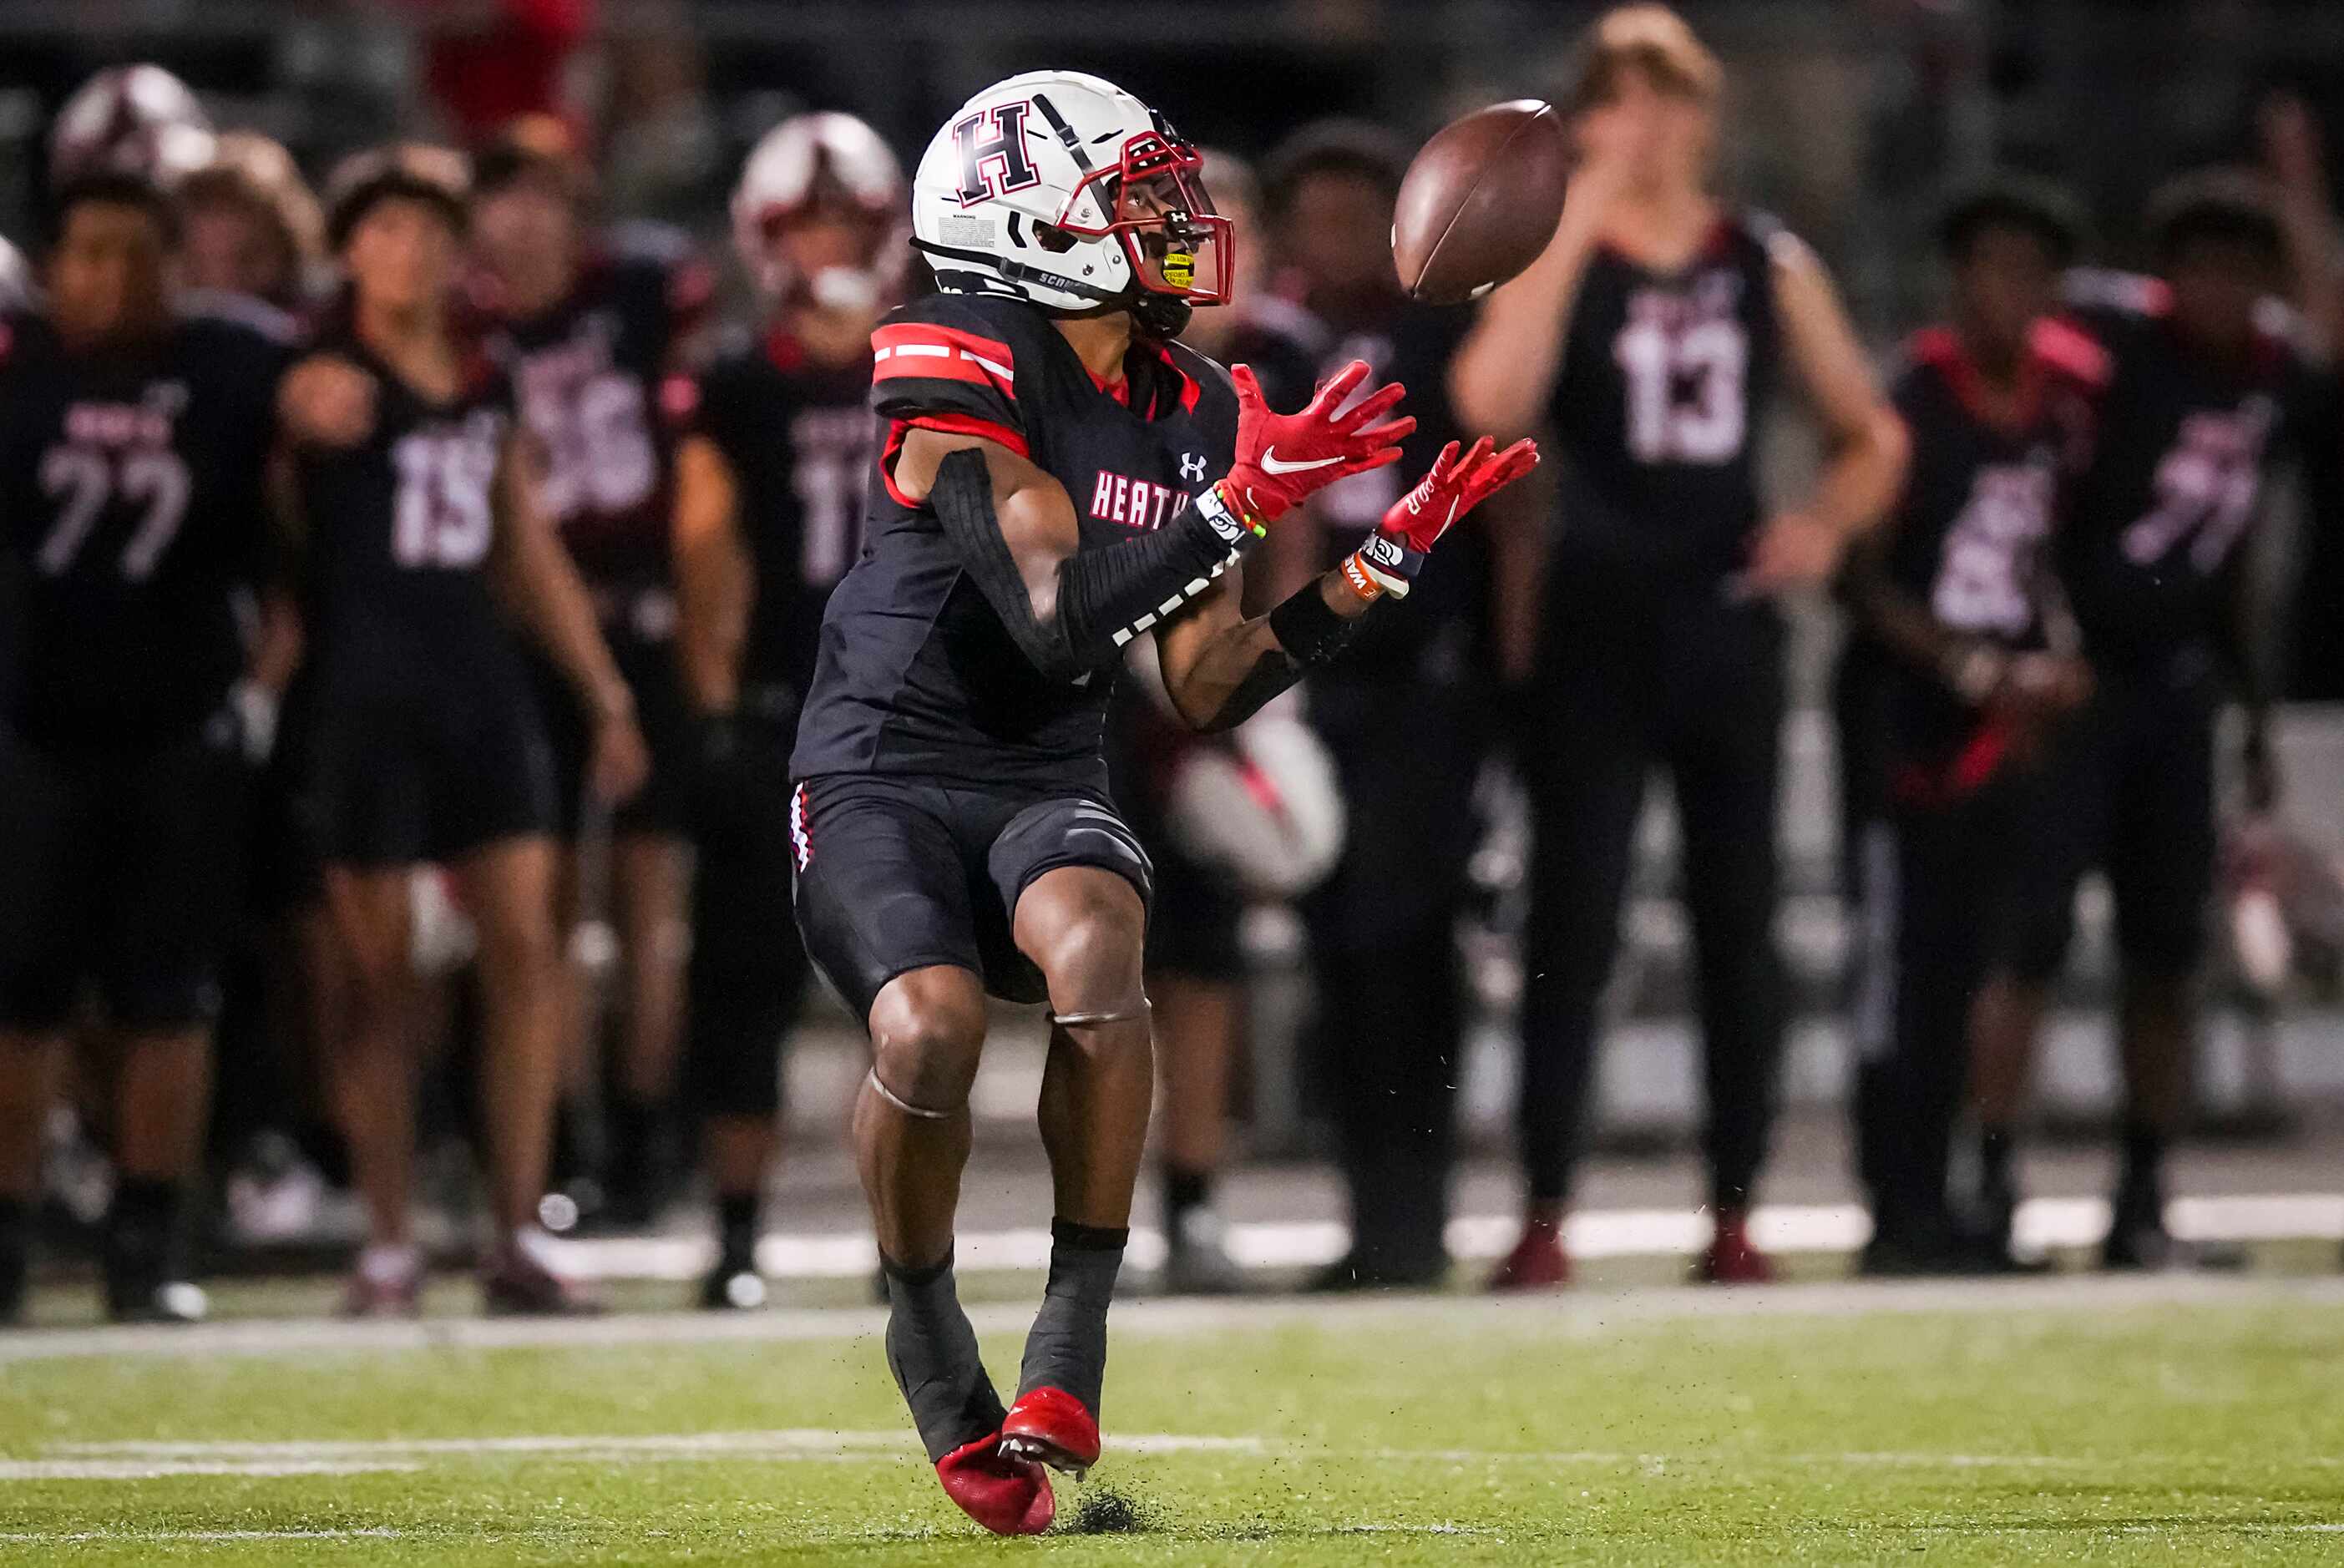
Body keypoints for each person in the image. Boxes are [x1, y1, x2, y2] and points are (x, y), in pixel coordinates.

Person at [787, 70, 1533, 1533]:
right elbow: (1053, 615)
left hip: (1040, 772)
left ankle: (1072, 1340)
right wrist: (1234, 509)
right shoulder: (955, 347)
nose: (1181, 223)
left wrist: (1371, 570)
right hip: (881, 758)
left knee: (1096, 941)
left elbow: (1200, 682)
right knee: (927, 1024)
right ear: (1026, 224)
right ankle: (930, 1338)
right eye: (1138, 199)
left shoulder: (1195, 399)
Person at [1450, 4, 1908, 1288]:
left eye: (1666, 99)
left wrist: (1819, 527)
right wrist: (1576, 212)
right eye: (1619, 101)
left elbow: (1871, 432)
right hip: (1595, 619)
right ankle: (1545, 1205)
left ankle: (1737, 1205)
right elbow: (1489, 403)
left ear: (1704, 114)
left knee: (1739, 922)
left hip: (1724, 619)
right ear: (1587, 117)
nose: (1646, 127)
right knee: (1574, 920)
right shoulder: (1561, 251)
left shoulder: (1763, 256)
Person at [280, 145, 650, 1316]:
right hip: (361, 690)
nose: (414, 249)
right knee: (379, 981)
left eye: (432, 229)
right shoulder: (312, 381)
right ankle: (388, 1234)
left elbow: (521, 540)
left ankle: (517, 1223)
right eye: (386, 229)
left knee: (527, 958)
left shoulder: (485, 373)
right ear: (347, 249)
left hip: (476, 684)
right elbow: (269, 540)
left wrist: (601, 689)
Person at [1975, 152, 2338, 1270]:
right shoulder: (2108, 346)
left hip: (2180, 692)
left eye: (2245, 271)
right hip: (2077, 686)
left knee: (2165, 956)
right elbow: (2024, 495)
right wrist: (2040, 644)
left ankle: (2142, 1193)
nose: (2222, 292)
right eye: (2202, 269)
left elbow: (2234, 561)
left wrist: (2253, 707)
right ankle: (1986, 1187)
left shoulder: (2273, 370)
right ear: (2165, 273)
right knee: (2029, 939)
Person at [0, 170, 292, 1323]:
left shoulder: (234, 363)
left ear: (172, 264)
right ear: (51, 265)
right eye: (88, 252)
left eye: (134, 251)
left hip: (182, 726)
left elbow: (296, 518)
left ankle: (146, 1232)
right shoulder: (19, 368)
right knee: (18, 1003)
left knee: (169, 999)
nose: (109, 276)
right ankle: (10, 1234)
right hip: (33, 727)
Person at [1250, 121, 1507, 1291]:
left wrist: (1510, 666)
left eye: (1363, 208)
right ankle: (1372, 1211)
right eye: (1322, 211)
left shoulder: (1444, 331)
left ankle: (1421, 1209)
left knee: (1414, 950)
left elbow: (1509, 494)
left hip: (1423, 677)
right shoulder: (1271, 339)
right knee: (1342, 953)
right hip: (1318, 671)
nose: (1342, 232)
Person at [1841, 180, 2102, 1273]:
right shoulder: (1907, 400)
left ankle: (1975, 1191)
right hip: (1910, 719)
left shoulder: (2069, 403)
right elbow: (1854, 571)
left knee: (2005, 954)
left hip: (2015, 720)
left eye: (2029, 272)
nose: (2009, 292)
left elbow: (2056, 552)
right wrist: (1964, 662)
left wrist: (2055, 653)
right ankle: (1899, 1204)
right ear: (1959, 281)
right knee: (1906, 967)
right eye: (1989, 267)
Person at [670, 110, 905, 1310]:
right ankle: (736, 1229)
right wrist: (715, 704)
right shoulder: (732, 383)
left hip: (906, 713)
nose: (827, 244)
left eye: (846, 220)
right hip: (783, 704)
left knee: (909, 985)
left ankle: (903, 1236)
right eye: (806, 222)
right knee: (745, 980)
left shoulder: (935, 366)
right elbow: (707, 551)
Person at [468, 120, 712, 1226]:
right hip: (523, 635)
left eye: (540, 196)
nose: (520, 221)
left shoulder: (645, 291)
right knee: (544, 910)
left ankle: (648, 1136)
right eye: (500, 197)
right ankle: (561, 1142)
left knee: (649, 902)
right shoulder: (465, 333)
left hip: (650, 618)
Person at [1104, 147, 1319, 1296]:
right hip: (1094, 686)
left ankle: (1189, 1204)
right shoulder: (1105, 368)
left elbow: (1288, 538)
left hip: (1202, 693)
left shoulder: (1268, 371)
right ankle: (1086, 1211)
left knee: (1201, 951)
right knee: (1091, 953)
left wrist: (1262, 695)